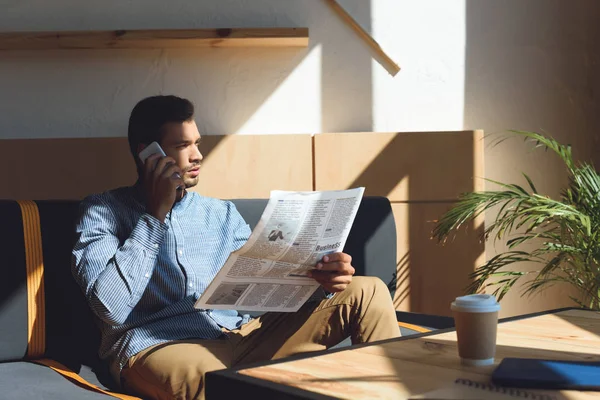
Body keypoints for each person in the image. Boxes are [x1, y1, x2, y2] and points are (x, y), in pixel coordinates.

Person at [72, 95, 400, 400]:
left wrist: (319, 280)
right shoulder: (103, 211)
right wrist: (155, 215)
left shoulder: (222, 214)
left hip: (241, 337)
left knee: (367, 291)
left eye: (197, 143)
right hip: (160, 346)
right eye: (183, 145)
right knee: (218, 380)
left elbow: (261, 288)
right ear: (149, 153)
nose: (198, 155)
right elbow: (110, 308)